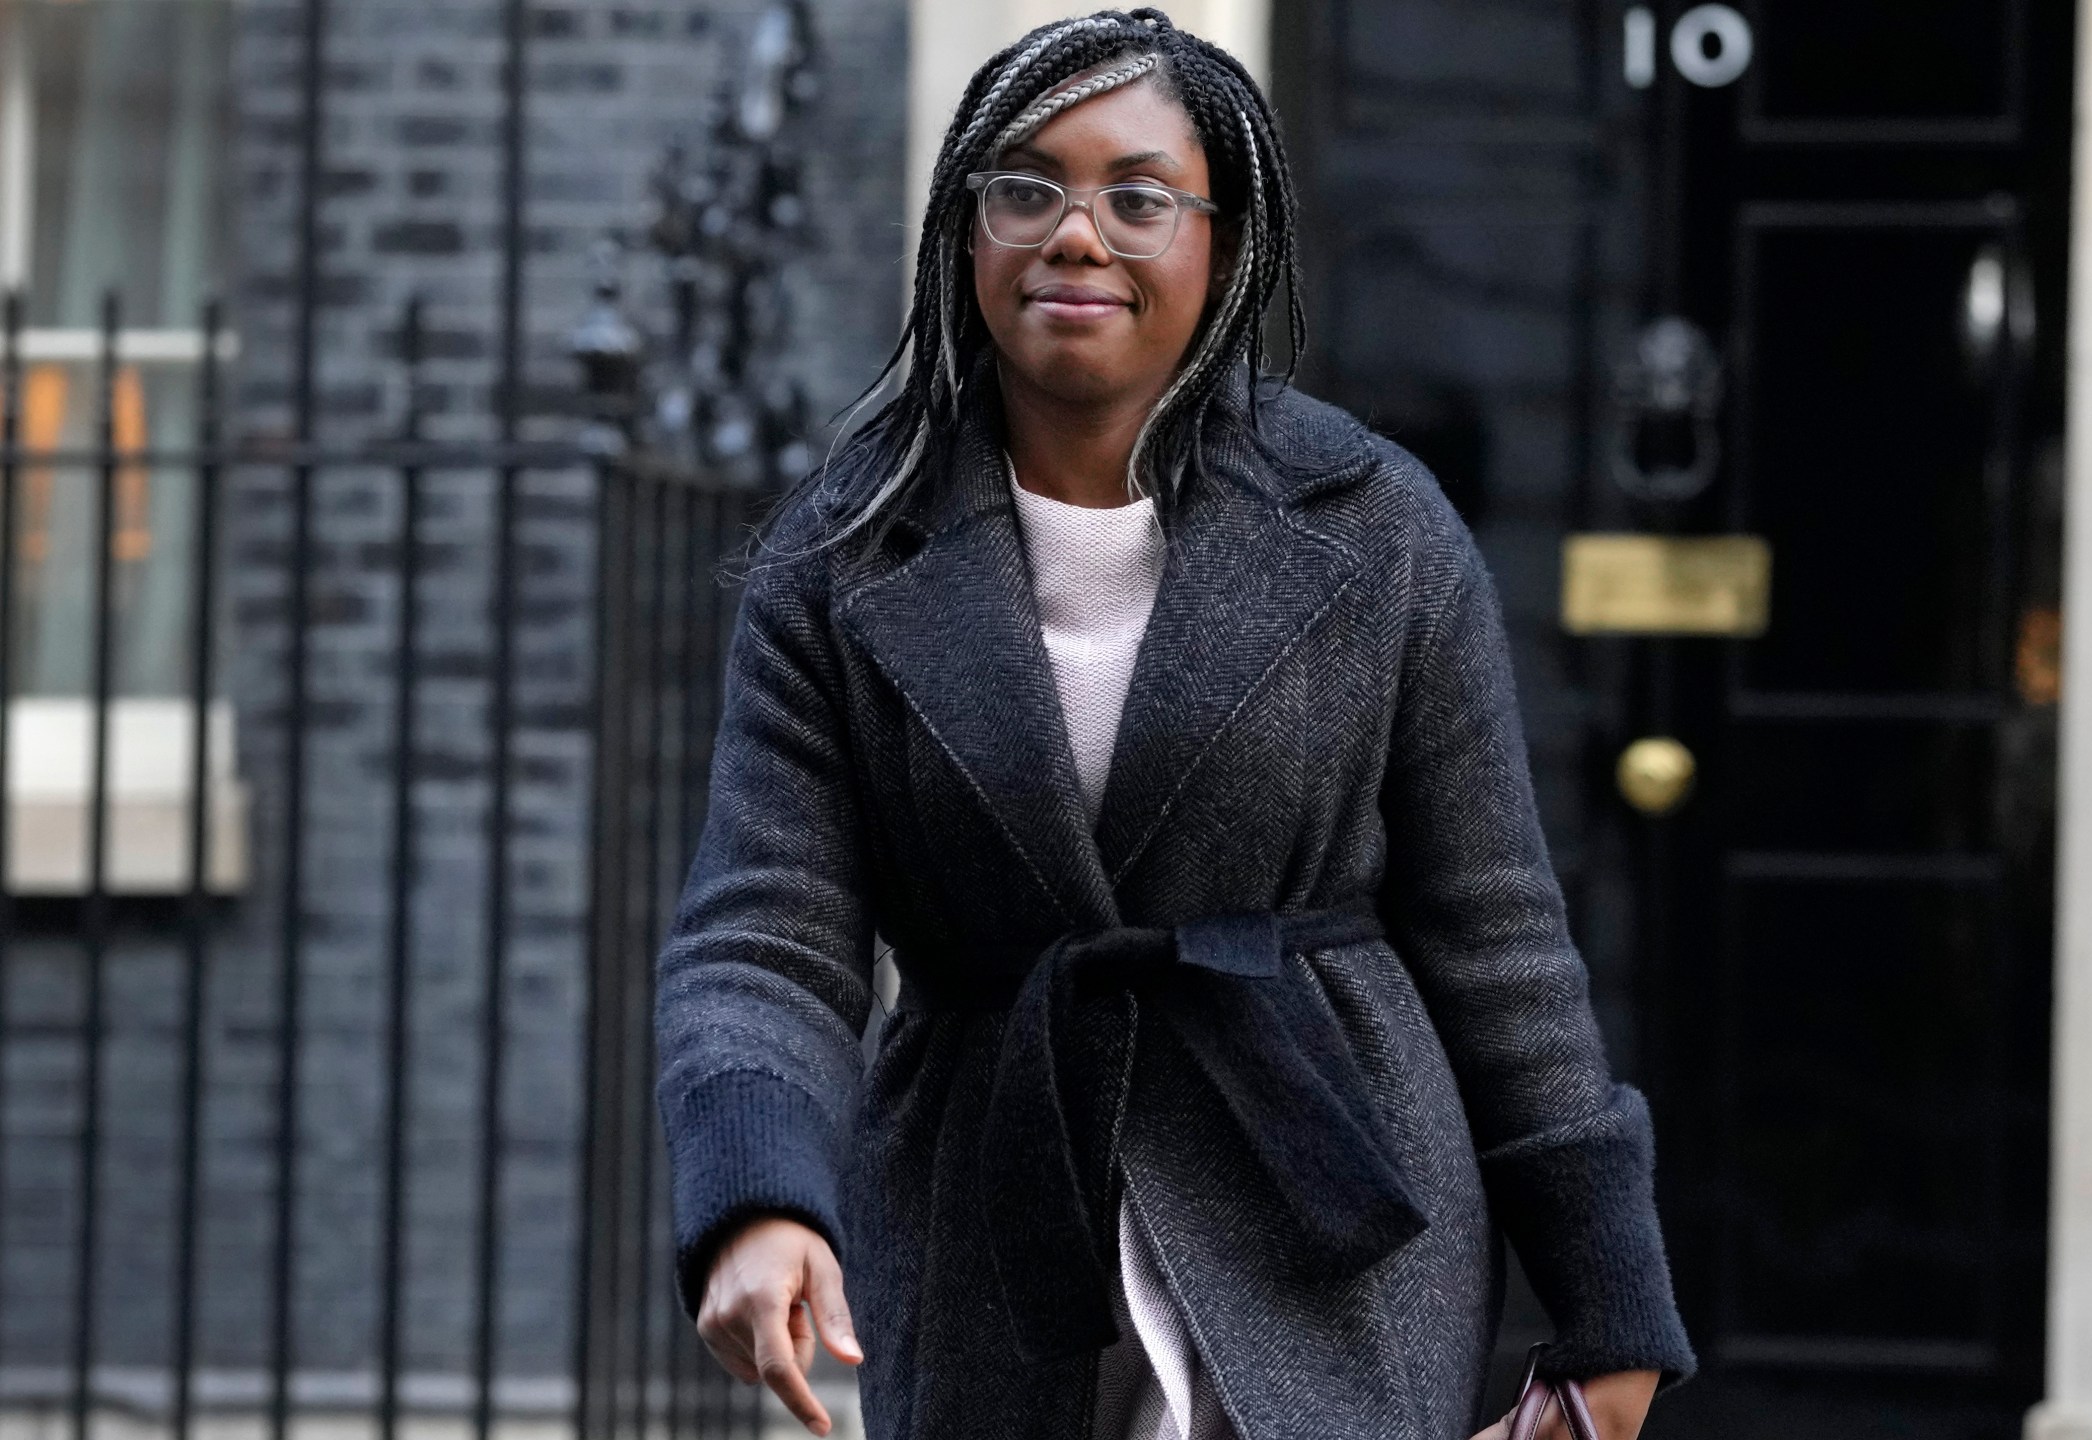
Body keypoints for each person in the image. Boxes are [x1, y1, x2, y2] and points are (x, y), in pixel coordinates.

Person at [652, 9, 1695, 1438]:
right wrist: (756, 1196)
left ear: (1224, 240)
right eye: (1026, 187)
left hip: (1323, 1216)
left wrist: (1610, 1304)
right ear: (967, 232)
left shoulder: (1376, 527)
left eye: (1138, 196)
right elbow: (763, 930)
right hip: (993, 1216)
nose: (1076, 233)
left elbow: (1497, 937)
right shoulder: (844, 553)